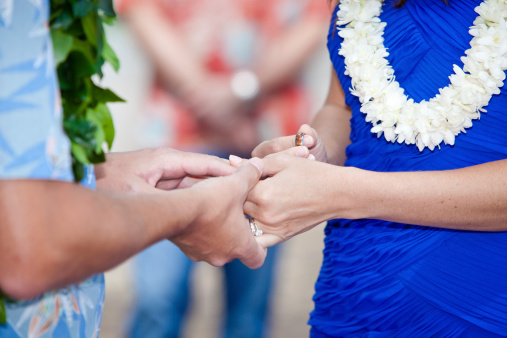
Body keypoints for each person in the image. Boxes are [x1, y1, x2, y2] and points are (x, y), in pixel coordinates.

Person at [0, 1, 289, 336]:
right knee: (158, 301)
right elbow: (28, 246)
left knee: (249, 308)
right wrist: (191, 211)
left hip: (258, 125)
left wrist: (102, 174)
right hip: (186, 126)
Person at [234, 0, 507, 336]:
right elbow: (341, 108)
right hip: (354, 288)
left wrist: (344, 192)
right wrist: (316, 152)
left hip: (481, 299)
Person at [113, 1, 330, 337]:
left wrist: (239, 91)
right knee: (157, 299)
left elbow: (314, 21)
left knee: (247, 306)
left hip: (263, 144)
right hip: (179, 139)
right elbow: (142, 11)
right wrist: (224, 105)